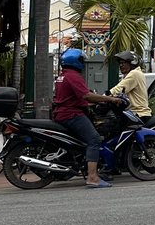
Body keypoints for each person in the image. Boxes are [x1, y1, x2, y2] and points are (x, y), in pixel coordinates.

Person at [52, 48, 124, 187]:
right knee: (94, 140)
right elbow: (87, 95)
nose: (83, 64)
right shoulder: (73, 76)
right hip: (72, 114)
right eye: (82, 61)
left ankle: (92, 169)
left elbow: (77, 97)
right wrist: (109, 99)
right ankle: (92, 177)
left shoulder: (63, 76)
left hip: (63, 112)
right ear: (76, 62)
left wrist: (97, 101)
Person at [109, 50, 151, 117]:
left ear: (132, 63)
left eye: (123, 63)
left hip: (139, 114)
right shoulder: (133, 74)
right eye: (120, 63)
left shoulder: (134, 73)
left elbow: (118, 89)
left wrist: (103, 97)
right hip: (134, 114)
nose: (121, 65)